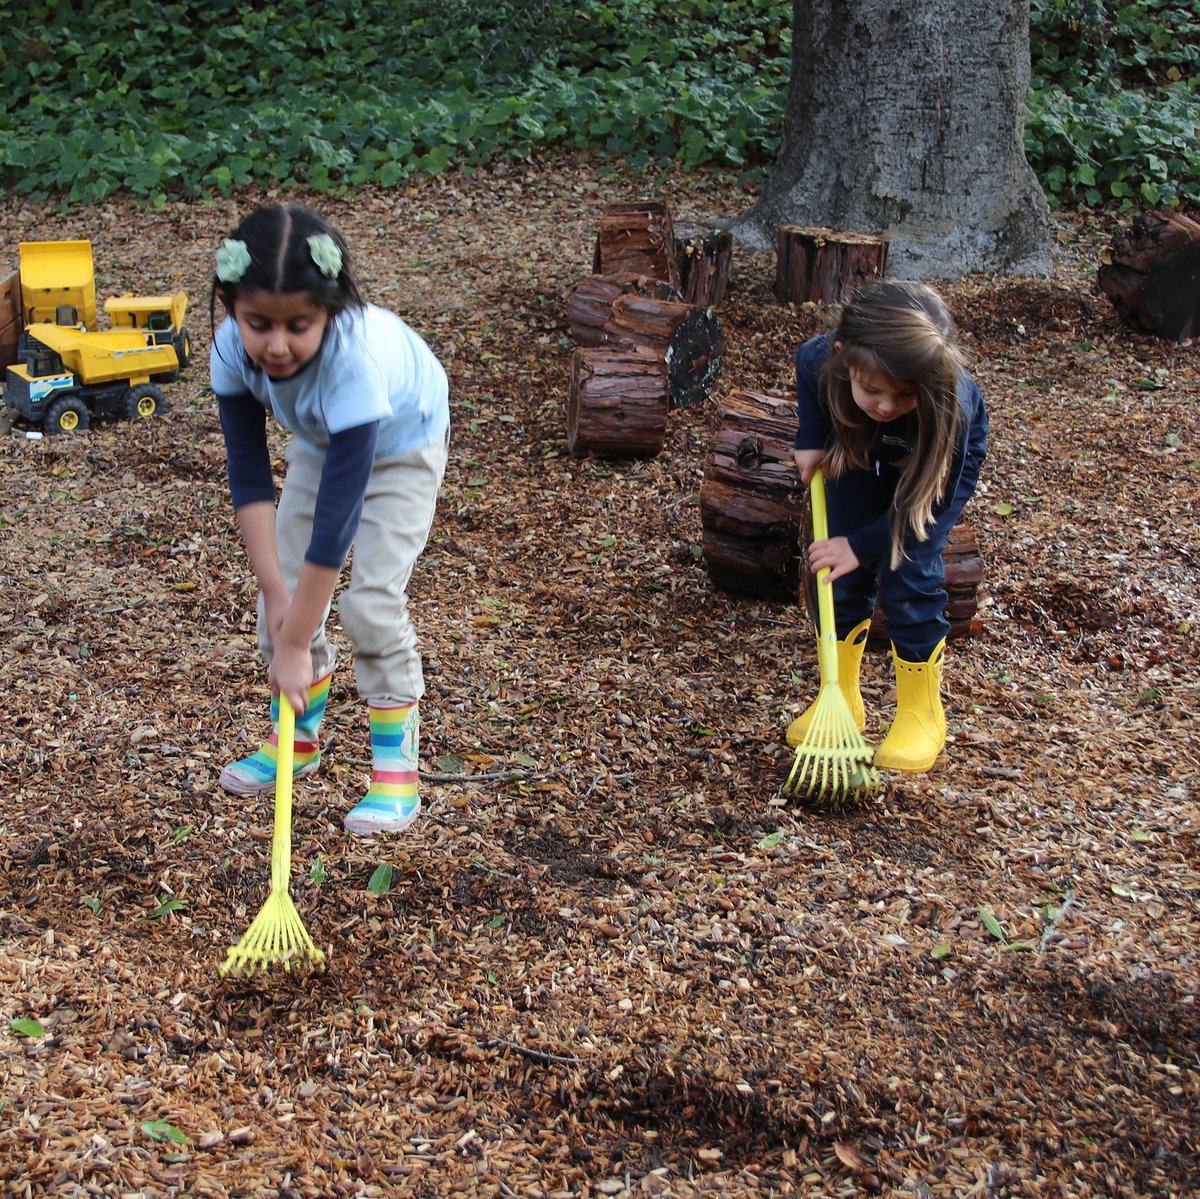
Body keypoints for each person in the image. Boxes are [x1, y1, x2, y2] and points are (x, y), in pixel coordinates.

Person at [209, 204, 450, 835]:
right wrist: (276, 595)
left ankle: (396, 775)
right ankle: (298, 740)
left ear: (331, 311)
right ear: (233, 308)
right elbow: (251, 477)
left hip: (403, 441)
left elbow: (336, 529)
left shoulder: (352, 362)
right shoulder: (231, 351)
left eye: (299, 325)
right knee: (279, 601)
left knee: (368, 603)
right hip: (322, 440)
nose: (277, 344)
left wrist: (294, 645)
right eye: (258, 323)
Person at [787, 279, 988, 773]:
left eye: (903, 394)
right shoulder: (825, 357)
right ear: (844, 356)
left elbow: (919, 511)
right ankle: (841, 695)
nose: (885, 404)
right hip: (862, 446)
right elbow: (805, 361)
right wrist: (812, 436)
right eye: (871, 389)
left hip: (928, 464)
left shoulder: (948, 407)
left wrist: (863, 544)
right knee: (836, 566)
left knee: (908, 570)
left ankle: (922, 713)